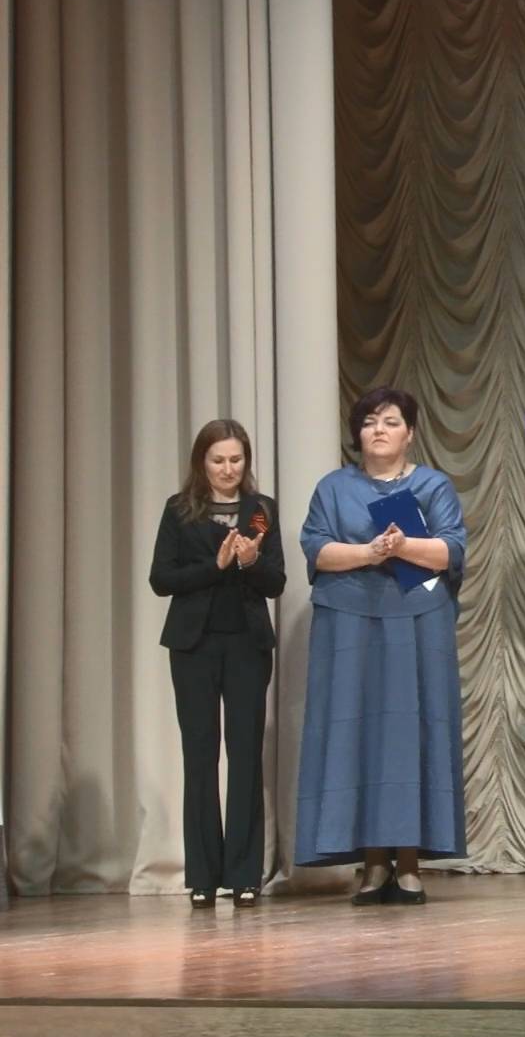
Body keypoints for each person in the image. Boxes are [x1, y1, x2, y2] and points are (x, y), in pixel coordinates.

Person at [295, 387, 468, 904]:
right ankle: (372, 863)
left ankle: (409, 863)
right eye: (370, 421)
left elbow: (451, 550)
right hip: (350, 622)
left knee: (412, 733)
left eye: (391, 422)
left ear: (409, 433)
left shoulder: (433, 485)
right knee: (358, 734)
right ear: (357, 432)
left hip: (418, 620)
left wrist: (403, 545)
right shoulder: (334, 487)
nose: (379, 430)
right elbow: (316, 549)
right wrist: (370, 552)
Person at [148, 419, 286, 908]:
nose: (228, 469)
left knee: (245, 755)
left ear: (246, 461)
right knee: (200, 755)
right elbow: (161, 579)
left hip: (247, 645)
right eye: (218, 460)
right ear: (201, 462)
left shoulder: (261, 511)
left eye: (236, 459)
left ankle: (245, 874)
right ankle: (203, 876)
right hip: (194, 646)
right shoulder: (179, 509)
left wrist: (250, 561)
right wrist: (217, 566)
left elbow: (276, 583)